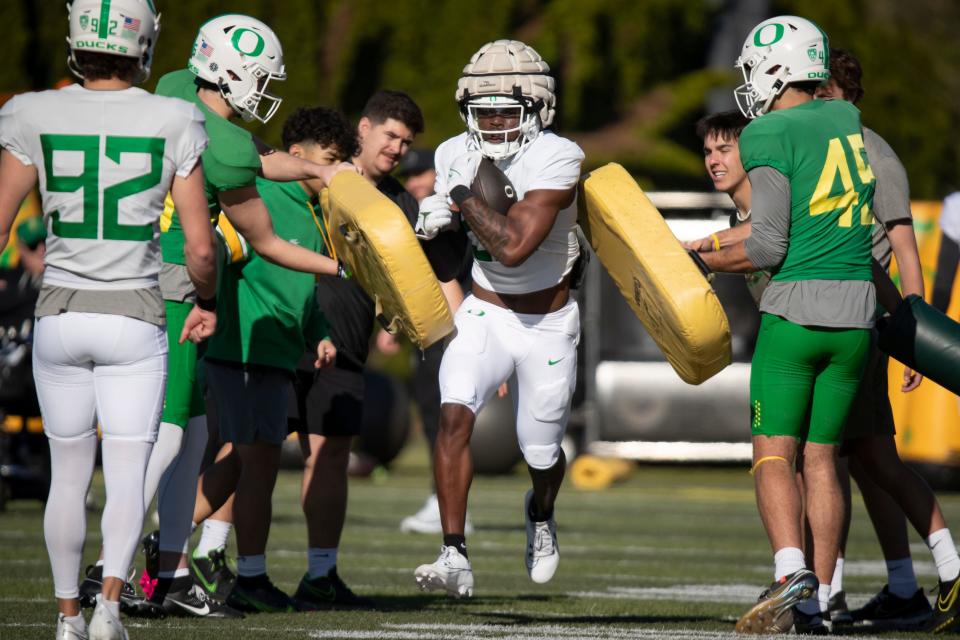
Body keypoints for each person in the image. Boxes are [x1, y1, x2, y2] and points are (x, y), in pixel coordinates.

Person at [114, 13, 352, 619]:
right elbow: (267, 241)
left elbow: (260, 156)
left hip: (125, 267)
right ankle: (110, 572)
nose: (267, 92)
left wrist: (318, 170)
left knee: (187, 438)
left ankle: (163, 570)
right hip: (176, 285)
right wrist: (344, 270)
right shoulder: (224, 148)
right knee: (168, 439)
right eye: (262, 78)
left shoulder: (170, 85)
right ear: (231, 72)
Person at [0, 1, 218, 638]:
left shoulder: (31, 110)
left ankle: (68, 618)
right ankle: (110, 610)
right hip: (135, 316)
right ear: (144, 42)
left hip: (59, 314)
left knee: (66, 477)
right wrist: (205, 301)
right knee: (125, 473)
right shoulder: (175, 116)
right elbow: (202, 248)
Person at [696, 16, 874, 634]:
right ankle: (821, 602)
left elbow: (768, 245)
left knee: (774, 455)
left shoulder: (768, 131)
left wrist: (706, 262)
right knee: (823, 459)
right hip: (856, 316)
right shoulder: (844, 117)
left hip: (797, 311)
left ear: (777, 68)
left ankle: (790, 571)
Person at [412, 39, 584, 598]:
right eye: (482, 111)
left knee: (540, 450)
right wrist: (430, 230)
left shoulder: (559, 156)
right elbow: (448, 262)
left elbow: (513, 248)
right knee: (453, 413)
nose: (492, 122)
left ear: (538, 110)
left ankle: (541, 511)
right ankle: (453, 551)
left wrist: (459, 195)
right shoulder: (449, 151)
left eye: (506, 111)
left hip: (548, 322)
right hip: (484, 309)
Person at [811, 49, 960, 633]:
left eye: (821, 97)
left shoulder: (870, 152)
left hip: (858, 319)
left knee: (833, 457)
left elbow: (901, 244)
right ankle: (895, 585)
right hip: (836, 314)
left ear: (841, 96)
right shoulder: (822, 147)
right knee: (860, 457)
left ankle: (827, 594)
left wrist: (912, 330)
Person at [286, 90, 430, 609]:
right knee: (241, 455)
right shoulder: (315, 174)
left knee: (328, 459)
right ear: (363, 128)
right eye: (390, 134)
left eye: (406, 141)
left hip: (345, 345)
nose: (396, 147)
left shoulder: (399, 202)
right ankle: (203, 560)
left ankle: (320, 576)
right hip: (281, 332)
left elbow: (404, 277)